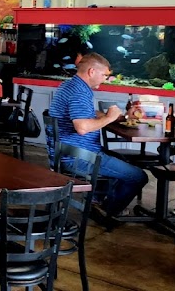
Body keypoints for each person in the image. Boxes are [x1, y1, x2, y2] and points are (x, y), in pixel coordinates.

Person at [49, 52, 148, 219]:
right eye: (104, 75)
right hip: (77, 157)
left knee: (122, 160)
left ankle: (96, 201)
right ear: (92, 71)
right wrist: (109, 118)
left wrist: (122, 117)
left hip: (67, 152)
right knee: (138, 176)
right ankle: (108, 211)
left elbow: (88, 114)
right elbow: (82, 127)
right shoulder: (79, 92)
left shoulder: (70, 85)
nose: (105, 79)